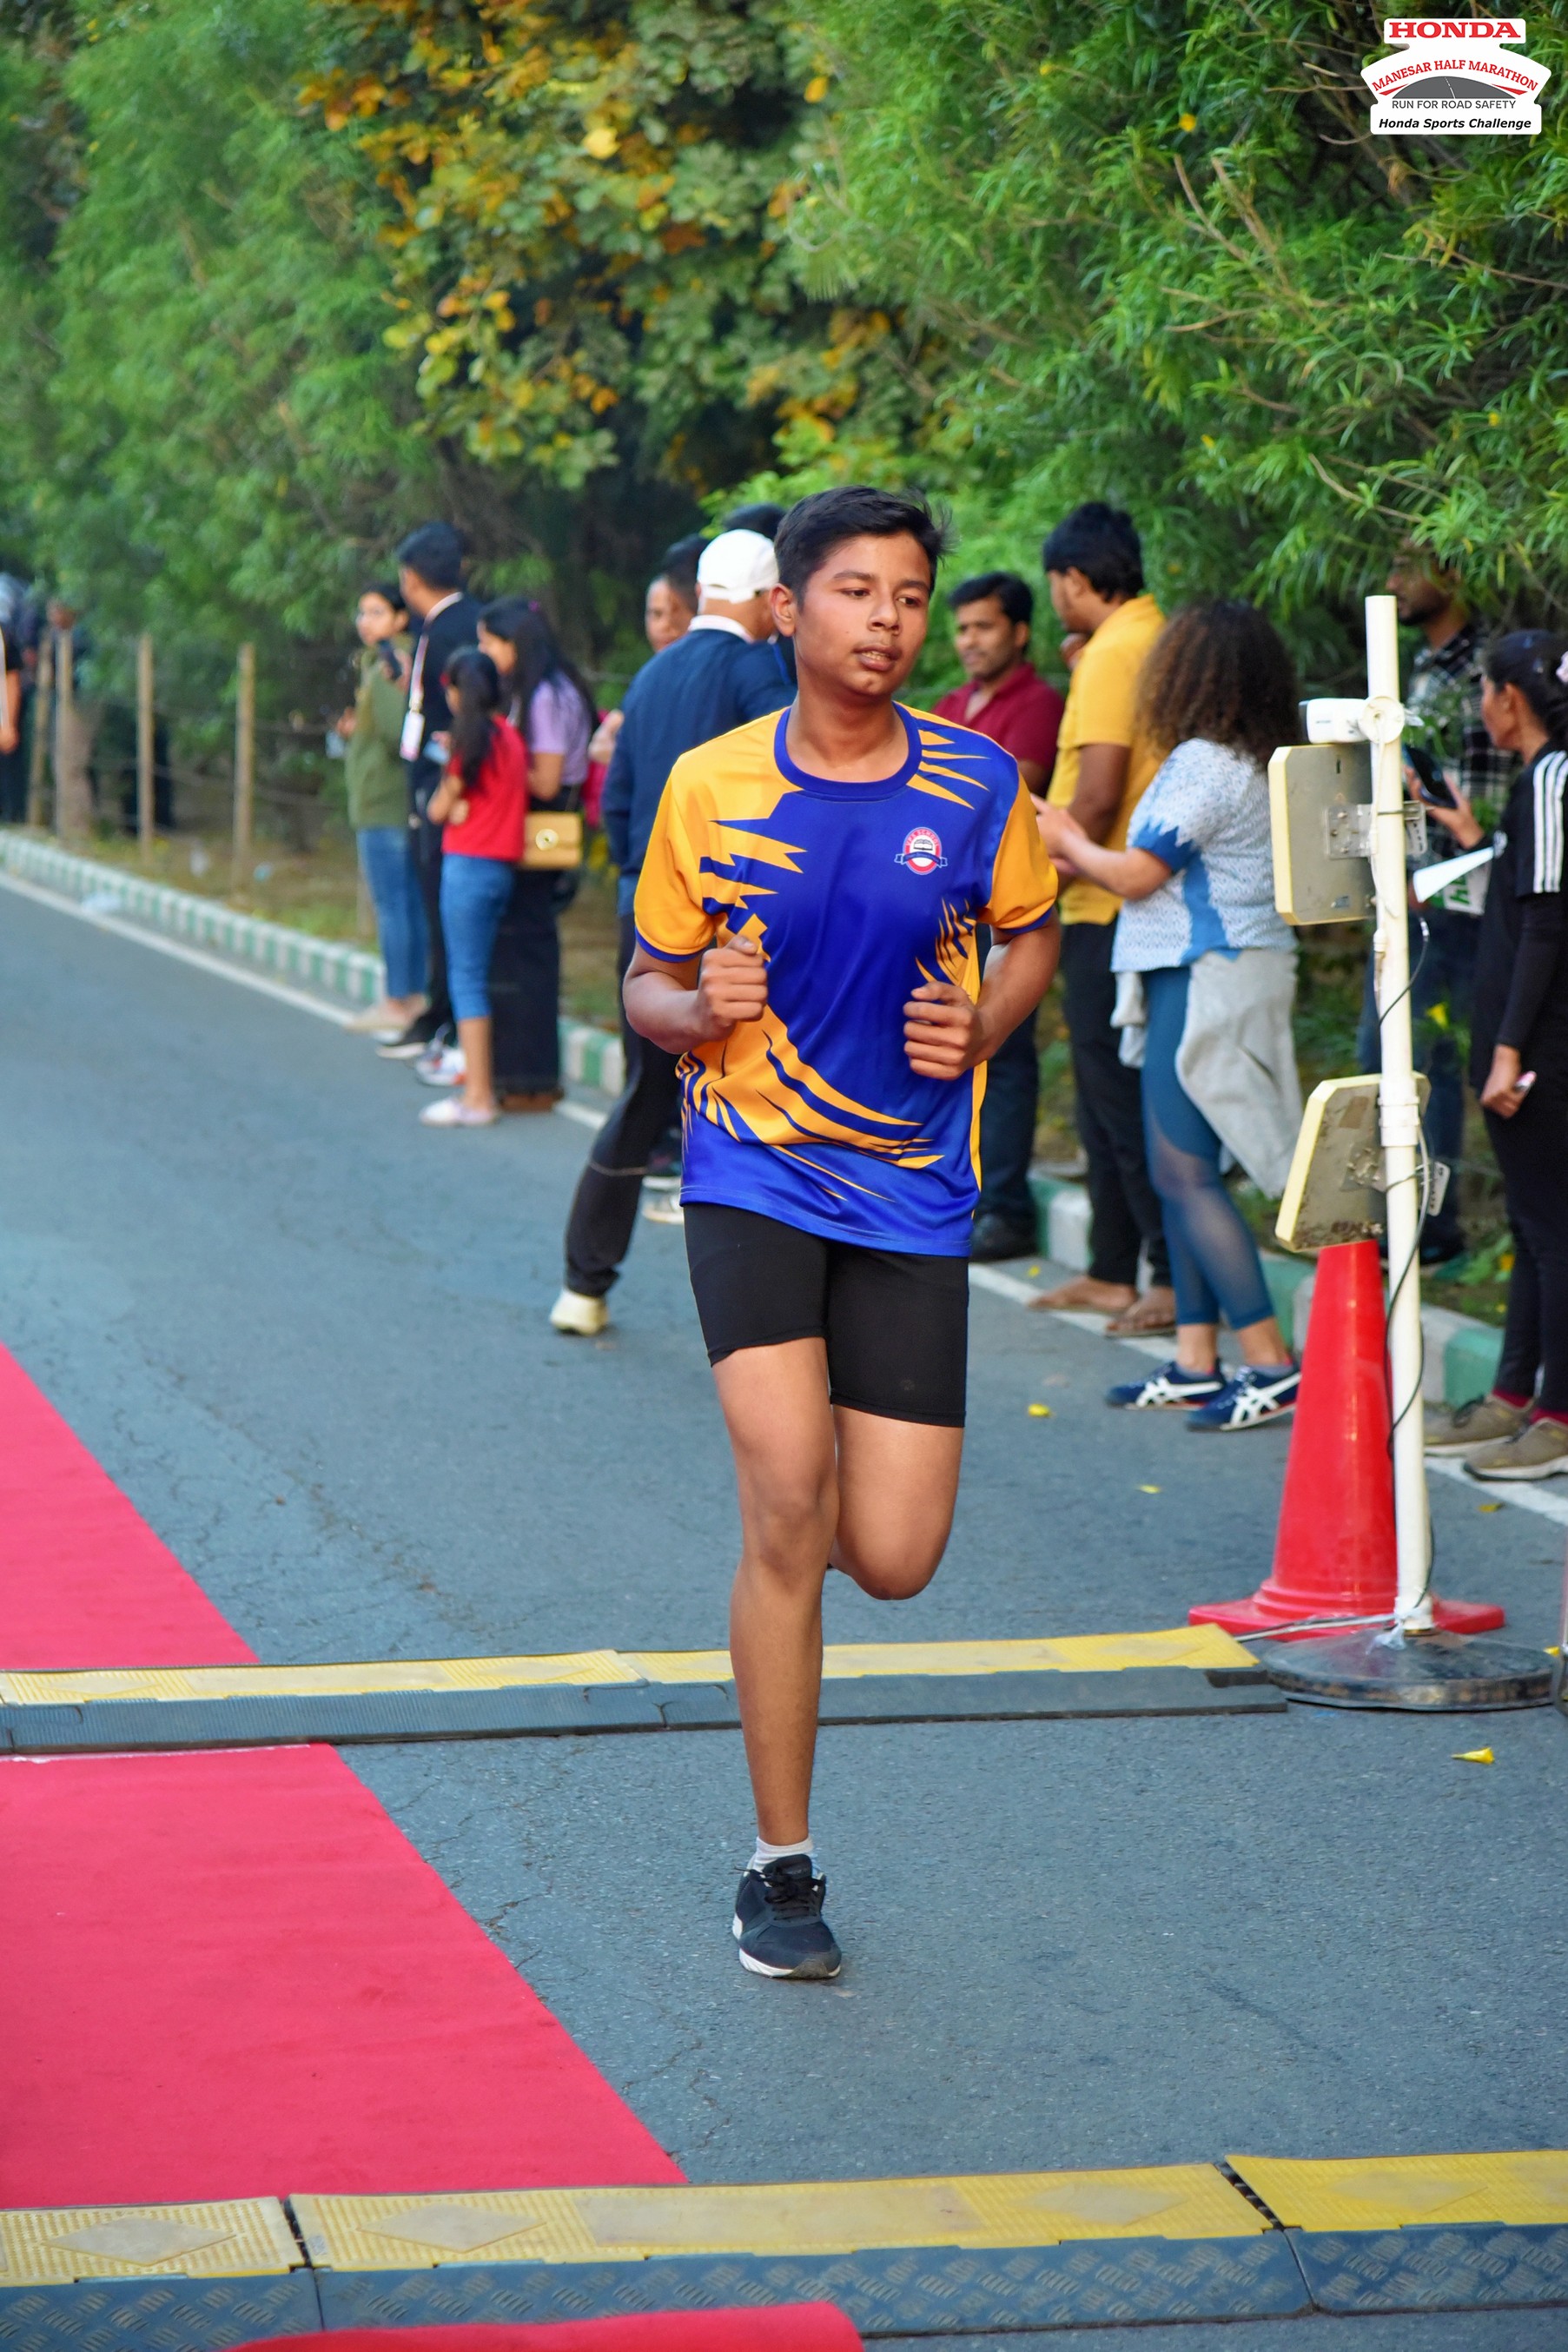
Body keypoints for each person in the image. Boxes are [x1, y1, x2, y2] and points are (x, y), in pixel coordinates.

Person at [622, 485, 1059, 1978]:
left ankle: (811, 1586)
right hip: (751, 1173)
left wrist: (983, 1023)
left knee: (897, 1552)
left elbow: (1032, 933)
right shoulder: (712, 783)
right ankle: (781, 1863)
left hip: (913, 1190)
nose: (888, 619)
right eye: (858, 590)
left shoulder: (978, 780)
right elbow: (645, 981)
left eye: (910, 595)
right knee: (787, 1501)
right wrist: (697, 1006)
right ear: (790, 607)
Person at [1043, 601, 1303, 1432]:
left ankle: (1268, 1360)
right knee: (1179, 1172)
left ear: (1187, 676)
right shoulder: (1260, 761)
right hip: (1224, 968)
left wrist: (1062, 836)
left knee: (1185, 1174)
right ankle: (1196, 1359)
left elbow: (1135, 874)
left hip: (1202, 973)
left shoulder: (1203, 762)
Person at [549, 528, 792, 1335]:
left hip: (646, 917)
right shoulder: (756, 672)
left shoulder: (651, 676)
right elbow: (791, 781)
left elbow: (617, 800)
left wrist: (642, 884)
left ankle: (583, 1283)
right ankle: (769, 1318)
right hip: (733, 924)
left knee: (647, 1091)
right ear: (764, 597)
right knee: (757, 1093)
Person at [1423, 633, 1568, 1480]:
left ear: (1509, 698)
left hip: (1542, 1045)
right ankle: (1514, 1395)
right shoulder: (1537, 784)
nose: (1481, 705)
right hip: (1526, 1039)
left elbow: (1546, 925)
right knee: (1532, 1223)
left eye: (1484, 689)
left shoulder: (1550, 777)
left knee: (1552, 1231)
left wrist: (1508, 1050)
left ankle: (1556, 1415)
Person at [1034, 505, 1174, 1332]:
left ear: (1073, 580)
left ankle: (1162, 1276)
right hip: (1117, 898)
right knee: (1100, 1098)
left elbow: (1094, 792)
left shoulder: (1115, 650)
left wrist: (1034, 876)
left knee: (1120, 1101)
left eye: (1056, 584)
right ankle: (1111, 1268)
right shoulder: (1141, 637)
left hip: (1105, 899)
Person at [1357, 555, 1518, 1262]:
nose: (1394, 583)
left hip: (1459, 896)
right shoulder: (1424, 667)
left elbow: (1480, 796)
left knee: (1425, 1061)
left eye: (1406, 568)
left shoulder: (1483, 671)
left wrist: (1434, 874)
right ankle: (1410, 1223)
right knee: (1397, 1056)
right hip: (1418, 891)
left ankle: (1429, 1229)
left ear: (1451, 570)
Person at [935, 571, 1067, 1260]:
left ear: (1018, 632)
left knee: (1003, 1052)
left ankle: (1005, 1208)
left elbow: (1010, 794)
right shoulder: (952, 703)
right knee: (943, 1047)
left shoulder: (1038, 703)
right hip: (939, 907)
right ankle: (961, 1191)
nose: (969, 641)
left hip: (1003, 904)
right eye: (961, 628)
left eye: (983, 626)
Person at [477, 598, 598, 1110]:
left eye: (490, 643)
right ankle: (523, 1074)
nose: (485, 652)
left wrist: (494, 764)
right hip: (545, 823)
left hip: (542, 824)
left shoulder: (545, 696)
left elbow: (546, 779)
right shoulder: (553, 687)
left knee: (525, 952)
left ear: (514, 644)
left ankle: (529, 1076)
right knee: (528, 950)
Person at [378, 525, 481, 1063]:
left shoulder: (451, 630)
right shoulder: (444, 625)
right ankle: (438, 1012)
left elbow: (463, 713)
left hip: (445, 784)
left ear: (411, 578)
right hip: (433, 776)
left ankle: (447, 1017)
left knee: (443, 906)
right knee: (434, 902)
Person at [419, 650, 528, 1129]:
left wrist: (453, 802)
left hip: (467, 867)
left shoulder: (467, 744)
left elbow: (437, 810)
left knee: (466, 980)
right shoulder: (511, 739)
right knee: (482, 975)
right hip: (503, 869)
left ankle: (478, 1096)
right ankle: (484, 1086)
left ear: (459, 693)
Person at [340, 585, 427, 1039]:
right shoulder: (387, 661)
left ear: (400, 618)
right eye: (362, 612)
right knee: (406, 902)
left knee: (394, 905)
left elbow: (398, 733)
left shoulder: (391, 664)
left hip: (384, 803)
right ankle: (413, 995)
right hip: (393, 802)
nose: (365, 621)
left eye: (376, 612)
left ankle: (400, 1000)